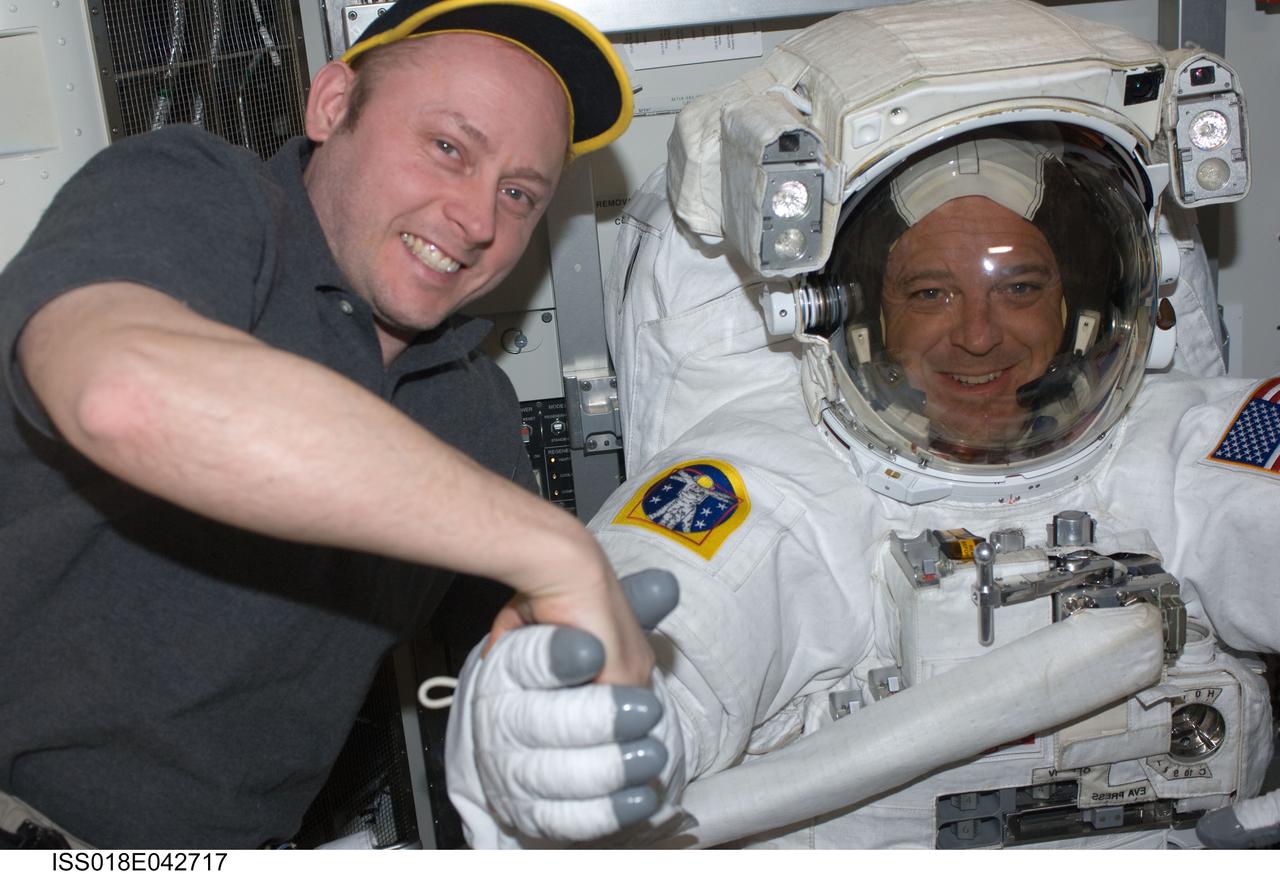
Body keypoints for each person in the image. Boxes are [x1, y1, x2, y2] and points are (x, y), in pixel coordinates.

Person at [445, 0, 1279, 849]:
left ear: (1080, 303)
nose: (980, 334)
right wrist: (555, 729)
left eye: (1021, 287)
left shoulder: (1174, 442)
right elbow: (667, 622)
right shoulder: (775, 484)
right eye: (930, 293)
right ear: (859, 314)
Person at [0, 0, 661, 850]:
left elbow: (507, 667)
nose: (478, 220)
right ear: (330, 105)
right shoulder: (198, 195)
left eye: (520, 193)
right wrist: (556, 549)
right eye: (448, 148)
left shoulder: (474, 414)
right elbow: (124, 393)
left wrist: (561, 728)